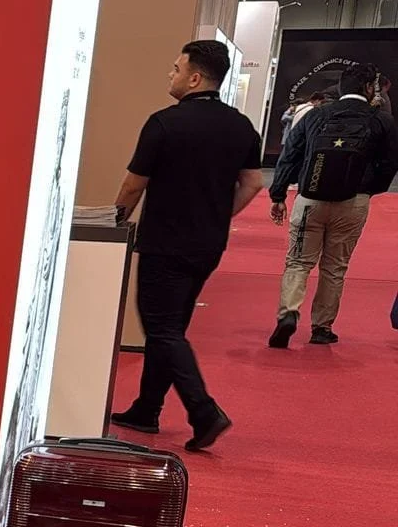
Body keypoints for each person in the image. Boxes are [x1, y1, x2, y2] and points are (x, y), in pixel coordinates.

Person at [109, 40, 263, 452]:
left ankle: (204, 412)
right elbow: (253, 183)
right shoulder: (242, 126)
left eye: (176, 69)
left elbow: (133, 184)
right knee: (172, 328)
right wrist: (218, 215)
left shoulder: (163, 123)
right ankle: (147, 408)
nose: (171, 75)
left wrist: (115, 221)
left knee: (161, 328)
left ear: (194, 77)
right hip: (208, 245)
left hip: (165, 242)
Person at [266, 62, 398, 347]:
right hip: (353, 202)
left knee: (298, 261)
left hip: (310, 199)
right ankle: (321, 328)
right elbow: (389, 163)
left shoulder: (316, 115)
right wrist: (370, 190)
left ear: (340, 88)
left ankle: (288, 312)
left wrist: (278, 194)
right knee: (335, 266)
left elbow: (290, 155)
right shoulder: (381, 120)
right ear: (368, 88)